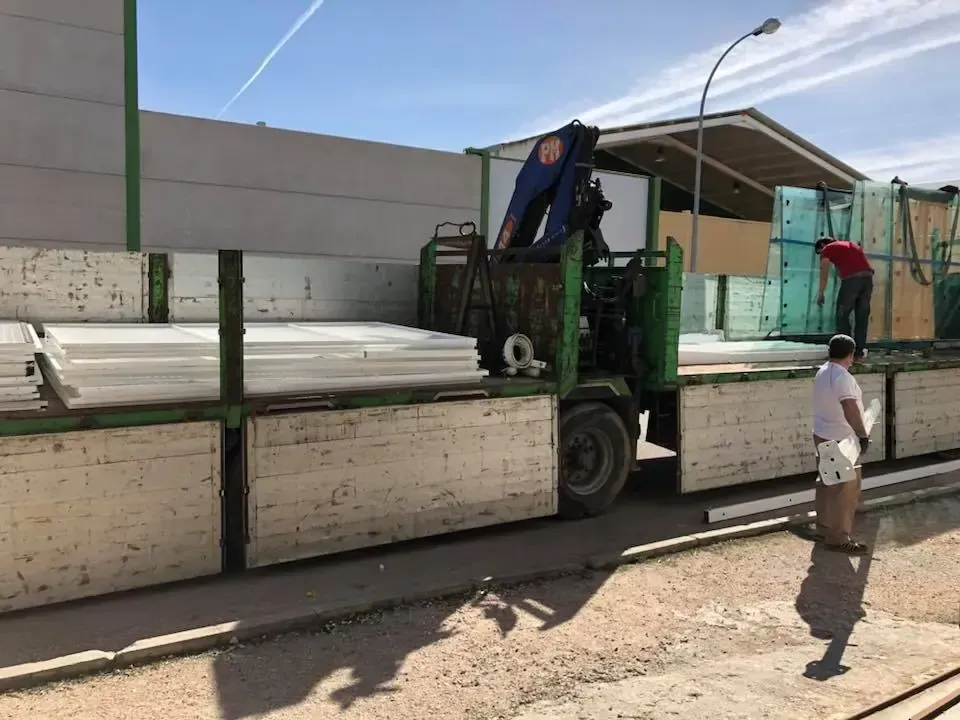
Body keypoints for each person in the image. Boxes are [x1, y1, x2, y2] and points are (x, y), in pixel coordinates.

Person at [811, 334, 870, 555]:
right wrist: (862, 435)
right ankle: (838, 538)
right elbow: (850, 407)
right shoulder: (843, 377)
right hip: (842, 440)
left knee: (826, 484)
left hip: (822, 435)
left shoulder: (823, 371)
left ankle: (824, 529)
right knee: (845, 489)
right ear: (851, 355)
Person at [815, 237, 873, 361]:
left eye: (819, 253)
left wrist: (821, 293)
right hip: (868, 280)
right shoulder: (849, 245)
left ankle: (843, 352)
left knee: (842, 315)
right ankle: (858, 353)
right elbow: (851, 266)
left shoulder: (827, 249)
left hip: (853, 281)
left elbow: (824, 273)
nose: (821, 256)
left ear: (822, 246)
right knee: (862, 317)